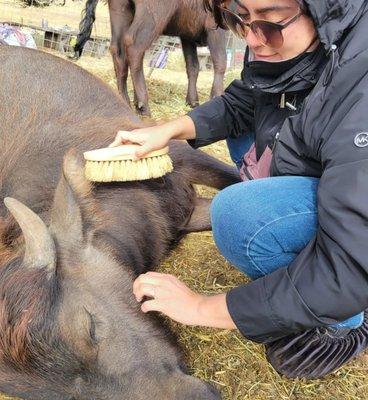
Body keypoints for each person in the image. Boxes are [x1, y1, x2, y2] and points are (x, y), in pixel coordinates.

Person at [109, 0, 368, 379]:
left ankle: (349, 322)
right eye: (242, 19)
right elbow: (244, 100)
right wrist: (169, 130)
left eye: (271, 22)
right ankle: (288, 255)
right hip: (323, 161)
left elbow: (349, 264)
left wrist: (200, 307)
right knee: (245, 137)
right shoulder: (283, 41)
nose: (252, 38)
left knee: (237, 215)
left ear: (324, 9)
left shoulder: (360, 82)